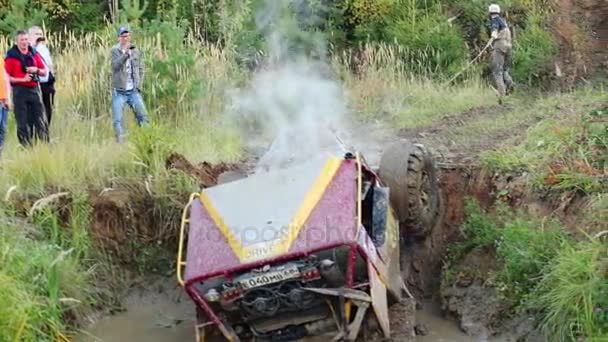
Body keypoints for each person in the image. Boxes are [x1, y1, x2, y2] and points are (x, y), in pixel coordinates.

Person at [4, 30, 48, 147]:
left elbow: (45, 71)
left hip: (34, 89)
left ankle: (44, 145)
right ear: (17, 41)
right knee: (22, 121)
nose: (24, 42)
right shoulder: (11, 56)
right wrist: (22, 79)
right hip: (19, 91)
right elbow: (6, 77)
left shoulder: (34, 53)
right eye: (21, 40)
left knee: (40, 118)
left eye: (26, 40)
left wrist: (36, 70)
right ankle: (26, 147)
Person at [111, 25, 148, 143]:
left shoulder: (136, 50)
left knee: (143, 116)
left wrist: (139, 85)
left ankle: (146, 140)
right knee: (118, 120)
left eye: (127, 36)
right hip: (119, 91)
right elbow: (115, 66)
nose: (126, 39)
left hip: (133, 90)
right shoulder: (115, 50)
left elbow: (141, 68)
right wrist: (125, 55)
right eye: (123, 36)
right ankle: (120, 143)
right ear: (119, 38)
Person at [29, 26, 55, 126]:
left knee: (47, 107)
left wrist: (51, 76)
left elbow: (49, 65)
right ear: (30, 35)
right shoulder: (27, 49)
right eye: (37, 34)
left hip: (45, 83)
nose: (39, 36)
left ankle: (45, 129)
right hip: (33, 83)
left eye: (41, 34)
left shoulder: (43, 49)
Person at [488, 4, 514, 103]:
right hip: (509, 46)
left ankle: (502, 96)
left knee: (497, 71)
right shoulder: (504, 21)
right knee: (505, 70)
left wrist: (493, 35)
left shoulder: (494, 20)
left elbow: (494, 29)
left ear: (490, 12)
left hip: (500, 46)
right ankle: (510, 84)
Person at [0, 59, 9, 154]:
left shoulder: (1, 59)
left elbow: (6, 79)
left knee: (3, 130)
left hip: (3, 100)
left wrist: (8, 98)